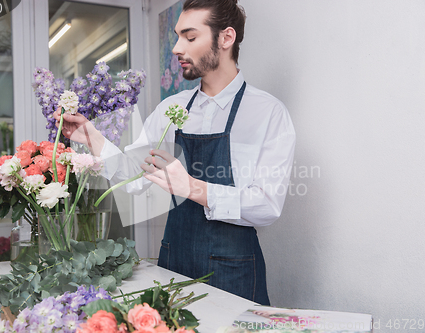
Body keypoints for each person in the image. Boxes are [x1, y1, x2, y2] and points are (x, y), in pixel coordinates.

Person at [54, 0, 295, 305]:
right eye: (178, 36)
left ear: (226, 38)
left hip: (234, 273)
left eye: (190, 37)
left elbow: (267, 205)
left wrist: (192, 187)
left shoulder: (267, 113)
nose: (178, 48)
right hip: (173, 266)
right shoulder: (172, 108)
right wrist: (92, 138)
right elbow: (136, 175)